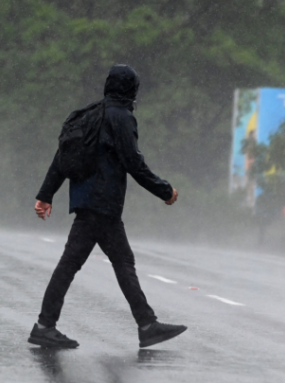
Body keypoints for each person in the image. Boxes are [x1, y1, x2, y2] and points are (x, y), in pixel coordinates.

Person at [28, 64, 187, 349]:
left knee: (92, 263)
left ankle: (144, 323)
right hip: (103, 204)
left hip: (87, 202)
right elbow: (133, 162)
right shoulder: (121, 118)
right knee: (109, 263)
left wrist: (46, 194)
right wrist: (165, 190)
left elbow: (61, 156)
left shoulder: (89, 114)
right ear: (131, 90)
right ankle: (145, 325)